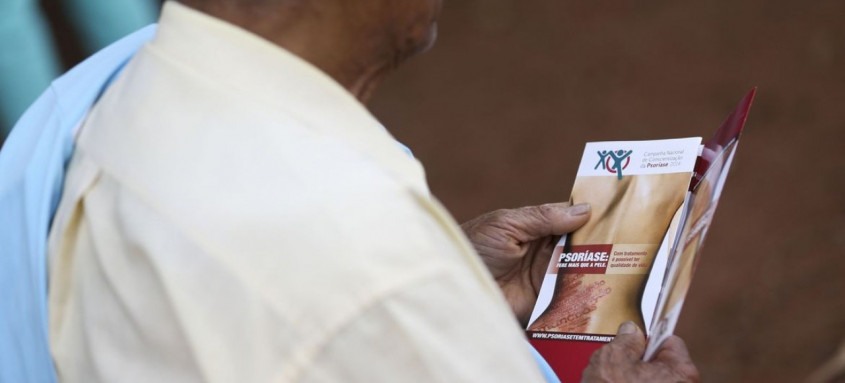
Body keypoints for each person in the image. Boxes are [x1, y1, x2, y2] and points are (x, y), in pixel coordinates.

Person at [10, 0, 699, 381]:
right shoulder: (367, 272)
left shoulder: (108, 100)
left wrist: (449, 301)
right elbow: (332, 296)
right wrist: (410, 303)